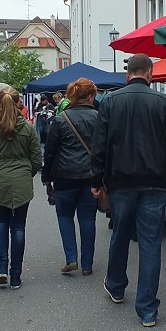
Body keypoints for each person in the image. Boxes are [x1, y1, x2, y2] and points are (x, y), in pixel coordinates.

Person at [91, 54, 166, 328]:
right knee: (150, 242)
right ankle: (147, 309)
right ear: (150, 73)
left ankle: (117, 286)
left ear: (127, 74)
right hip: (155, 182)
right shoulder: (165, 103)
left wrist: (96, 180)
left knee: (120, 235)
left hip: (120, 181)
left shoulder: (110, 102)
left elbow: (100, 146)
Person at [0, 87, 42, 289]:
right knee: (18, 227)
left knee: (0, 224)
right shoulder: (28, 128)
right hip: (22, 180)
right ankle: (16, 275)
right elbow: (36, 159)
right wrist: (26, 173)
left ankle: (2, 270)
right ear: (18, 103)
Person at [42, 79, 99, 275]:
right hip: (90, 176)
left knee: (64, 216)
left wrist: (46, 175)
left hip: (64, 176)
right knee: (88, 219)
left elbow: (50, 151)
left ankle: (71, 257)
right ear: (90, 96)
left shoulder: (61, 119)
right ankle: (87, 264)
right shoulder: (99, 118)